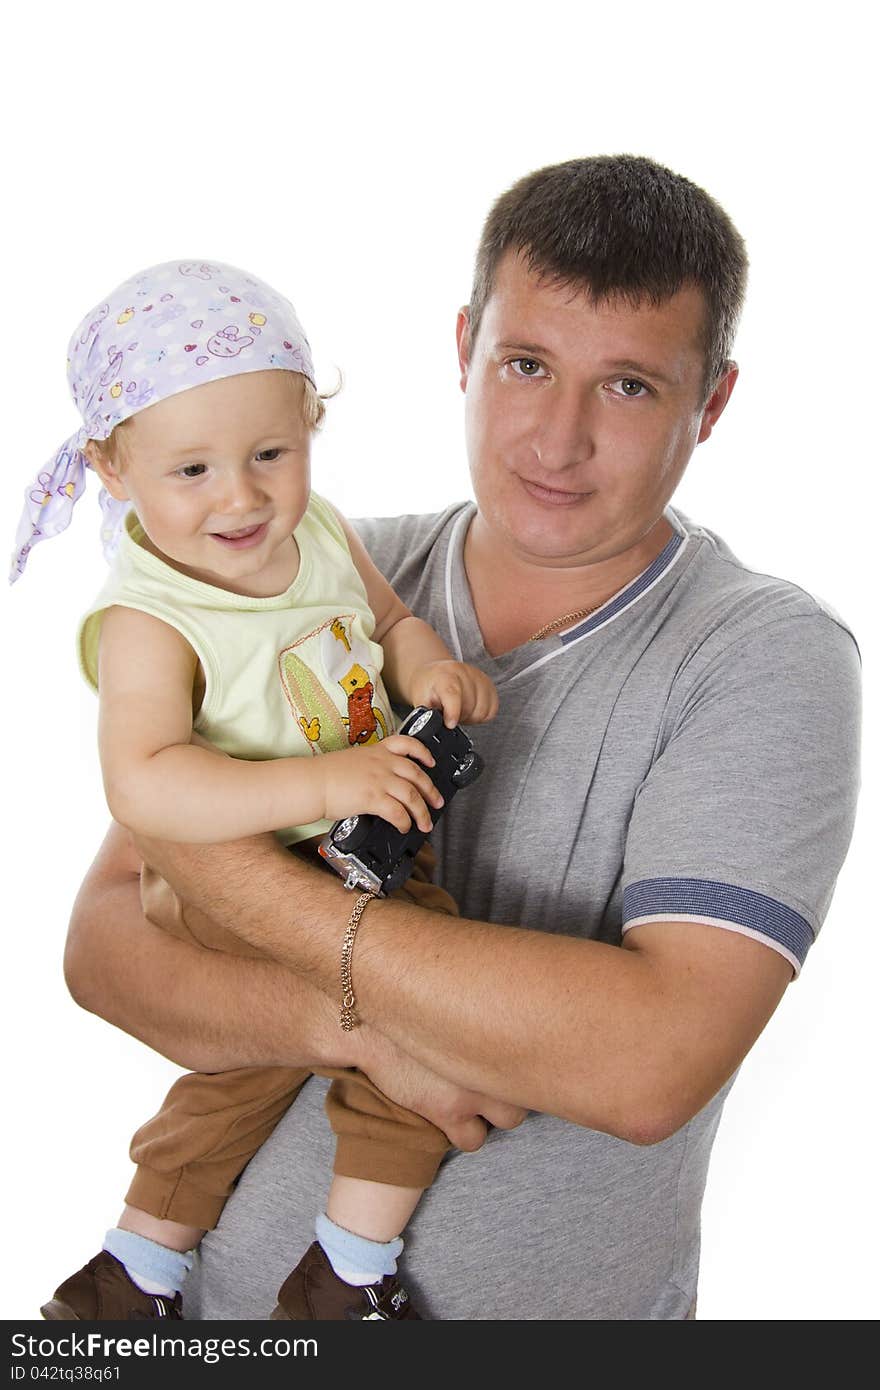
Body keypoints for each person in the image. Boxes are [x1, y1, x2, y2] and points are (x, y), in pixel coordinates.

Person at [61, 156, 861, 1321]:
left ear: (713, 401)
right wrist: (362, 1033)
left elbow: (648, 1064)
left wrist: (222, 867)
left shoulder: (757, 656)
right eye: (526, 364)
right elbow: (104, 948)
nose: (558, 437)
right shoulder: (308, 576)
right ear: (463, 348)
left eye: (629, 386)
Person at [12, 259, 502, 1321]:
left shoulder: (314, 529)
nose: (241, 496)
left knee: (246, 1067)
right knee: (431, 1025)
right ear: (111, 466)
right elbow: (141, 779)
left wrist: (427, 670)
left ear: (309, 431)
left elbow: (388, 622)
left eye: (270, 454)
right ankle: (350, 1270)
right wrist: (331, 775)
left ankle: (133, 1268)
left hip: (362, 837)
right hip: (254, 874)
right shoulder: (152, 615)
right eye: (190, 470)